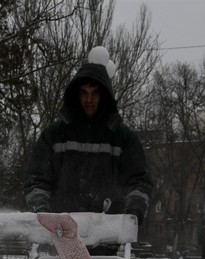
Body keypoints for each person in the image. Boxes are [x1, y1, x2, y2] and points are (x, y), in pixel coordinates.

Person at [24, 46, 154, 224]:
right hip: (60, 233)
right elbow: (36, 180)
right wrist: (42, 210)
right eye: (84, 93)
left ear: (105, 96)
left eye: (95, 94)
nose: (89, 100)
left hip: (106, 234)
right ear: (75, 95)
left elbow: (139, 181)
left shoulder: (123, 137)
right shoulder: (55, 135)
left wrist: (135, 209)